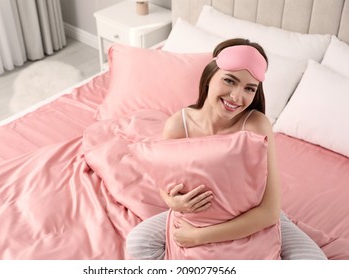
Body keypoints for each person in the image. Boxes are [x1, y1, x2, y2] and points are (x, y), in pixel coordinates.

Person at [126, 38, 327, 260]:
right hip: (201, 215)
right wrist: (171, 202)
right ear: (209, 76)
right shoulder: (179, 124)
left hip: (251, 215)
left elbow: (269, 212)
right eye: (230, 81)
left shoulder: (256, 125)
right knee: (137, 242)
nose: (236, 97)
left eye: (249, 88)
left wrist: (199, 237)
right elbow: (166, 181)